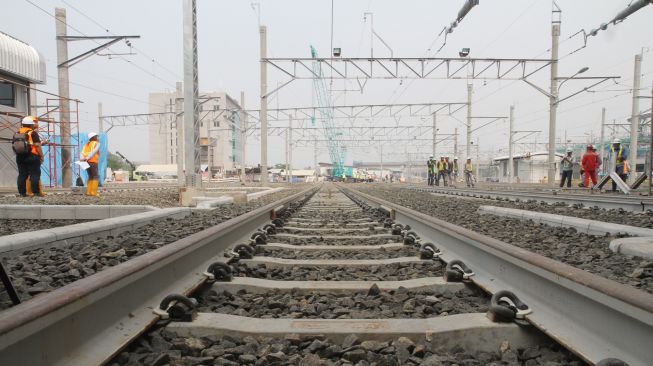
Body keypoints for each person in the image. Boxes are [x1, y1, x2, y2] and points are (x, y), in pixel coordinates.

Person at [13, 116, 44, 197]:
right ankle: (36, 193)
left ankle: (22, 193)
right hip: (32, 156)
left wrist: (18, 154)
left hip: (20, 156)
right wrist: (41, 156)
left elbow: (13, 145)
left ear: (23, 124)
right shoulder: (32, 133)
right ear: (31, 125)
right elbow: (37, 145)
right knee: (34, 174)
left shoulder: (17, 133)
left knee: (22, 175)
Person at [81, 132, 101, 196]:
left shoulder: (86, 145)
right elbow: (94, 152)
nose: (98, 138)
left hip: (85, 162)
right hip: (93, 161)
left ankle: (89, 192)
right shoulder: (97, 143)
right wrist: (88, 158)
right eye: (96, 136)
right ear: (93, 137)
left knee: (90, 176)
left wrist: (82, 159)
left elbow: (81, 153)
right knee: (95, 176)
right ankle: (94, 192)